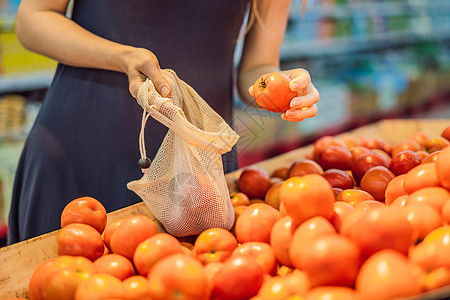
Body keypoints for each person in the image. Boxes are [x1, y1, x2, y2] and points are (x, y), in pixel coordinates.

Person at [8, 0, 320, 244]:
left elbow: (258, 67)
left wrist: (281, 86)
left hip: (198, 171)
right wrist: (121, 56)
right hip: (81, 149)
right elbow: (34, 18)